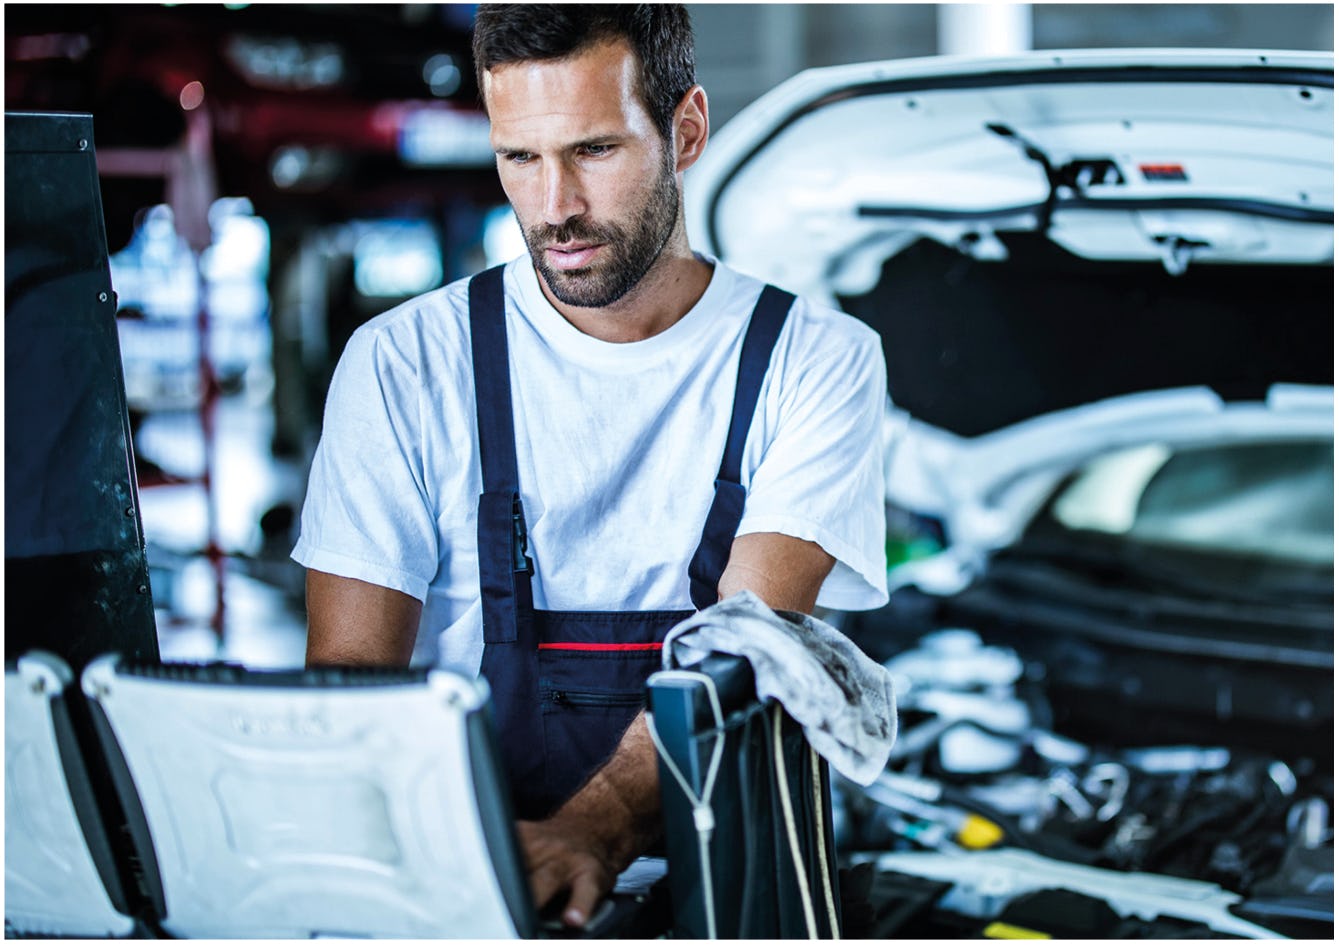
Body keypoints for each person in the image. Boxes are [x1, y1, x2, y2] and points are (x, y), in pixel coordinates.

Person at [293, 3, 889, 928]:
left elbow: (751, 637)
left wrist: (593, 827)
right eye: (518, 158)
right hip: (476, 894)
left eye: (594, 151)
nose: (554, 206)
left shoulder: (813, 359)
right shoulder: (403, 362)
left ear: (684, 131)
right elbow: (350, 688)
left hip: (724, 891)